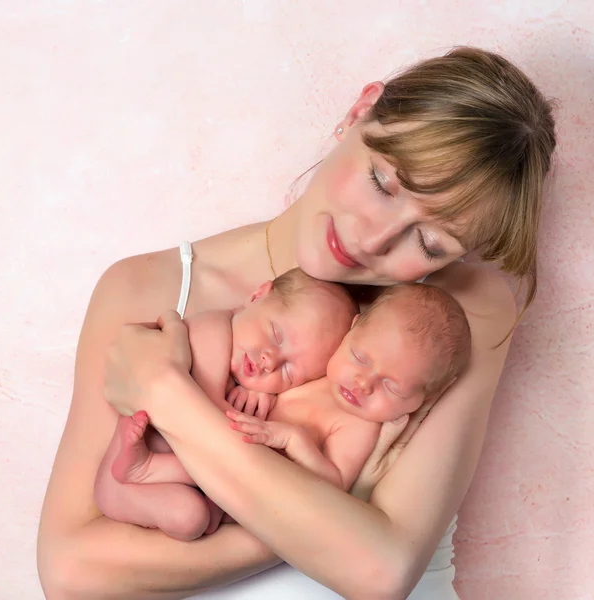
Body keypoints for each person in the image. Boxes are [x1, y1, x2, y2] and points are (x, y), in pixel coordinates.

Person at [37, 46, 556, 600]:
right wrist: (344, 502)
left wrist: (168, 396)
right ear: (360, 110)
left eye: (429, 243)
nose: (371, 239)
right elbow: (73, 574)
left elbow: (379, 574)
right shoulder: (150, 287)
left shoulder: (454, 315)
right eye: (383, 183)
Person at [96, 282, 470, 545]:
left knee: (193, 519)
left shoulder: (359, 426)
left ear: (418, 402)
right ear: (350, 334)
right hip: (189, 437)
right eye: (359, 357)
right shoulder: (320, 365)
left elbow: (334, 484)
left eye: (392, 387)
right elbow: (263, 368)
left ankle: (141, 471)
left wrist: (294, 439)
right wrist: (250, 389)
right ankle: (139, 466)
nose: (362, 384)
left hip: (220, 477)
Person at [94, 267, 358, 541]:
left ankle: (149, 470)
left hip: (149, 486)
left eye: (289, 372)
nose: (270, 361)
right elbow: (203, 414)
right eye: (276, 335)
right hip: (121, 476)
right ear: (257, 296)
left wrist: (255, 392)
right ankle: (141, 467)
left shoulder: (255, 385)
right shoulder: (214, 328)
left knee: (191, 519)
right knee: (240, 466)